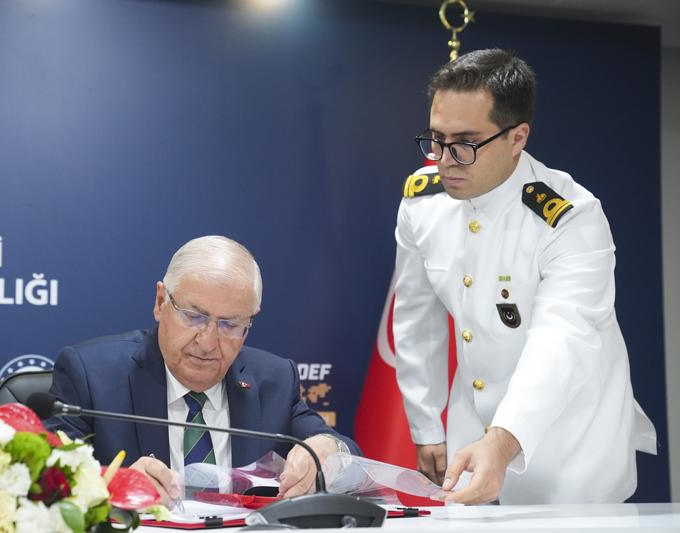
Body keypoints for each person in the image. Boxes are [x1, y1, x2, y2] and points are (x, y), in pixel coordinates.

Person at [393, 49, 656, 505]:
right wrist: (426, 425)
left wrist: (502, 440)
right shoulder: (423, 204)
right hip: (471, 424)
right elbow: (417, 317)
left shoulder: (571, 216)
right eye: (436, 139)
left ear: (517, 137)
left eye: (465, 143)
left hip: (573, 442)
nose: (445, 160)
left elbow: (562, 338)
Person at [47, 235, 358, 505]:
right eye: (194, 316)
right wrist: (112, 484)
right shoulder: (91, 375)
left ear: (250, 322)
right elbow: (44, 478)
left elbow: (348, 453)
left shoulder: (273, 380)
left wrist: (328, 450)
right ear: (160, 302)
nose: (208, 342)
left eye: (230, 324)